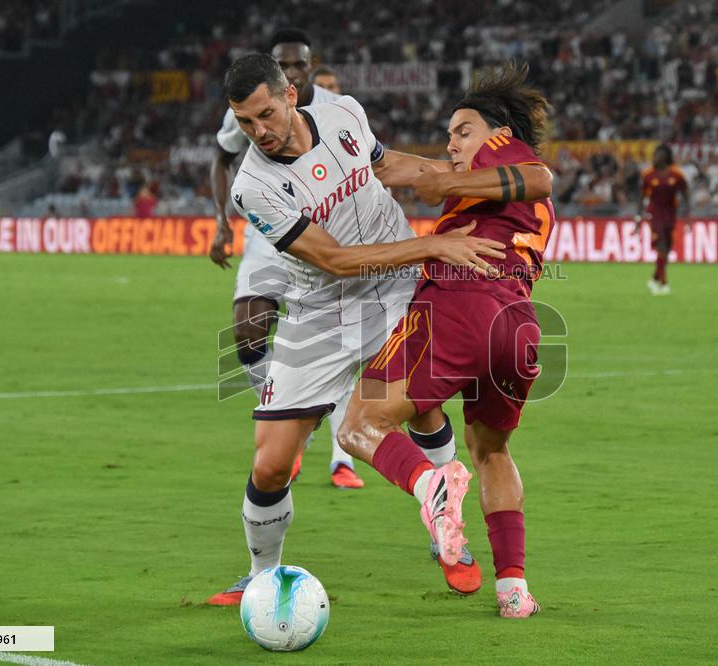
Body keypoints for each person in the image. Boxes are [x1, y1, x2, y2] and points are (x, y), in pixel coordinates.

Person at [207, 54, 502, 606]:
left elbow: (387, 167)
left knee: (421, 403)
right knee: (270, 464)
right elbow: (338, 261)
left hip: (396, 291)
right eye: (245, 122)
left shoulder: (343, 113)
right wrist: (433, 244)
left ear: (291, 94)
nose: (259, 132)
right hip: (320, 309)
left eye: (265, 114)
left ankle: (448, 536)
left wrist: (460, 180)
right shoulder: (254, 186)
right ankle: (262, 573)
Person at [337, 63, 555, 619]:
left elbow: (540, 178)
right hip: (521, 325)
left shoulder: (503, 154)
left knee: (360, 426)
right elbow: (408, 168)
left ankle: (430, 485)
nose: (452, 143)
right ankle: (513, 589)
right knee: (492, 450)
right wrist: (349, 144)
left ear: (499, 131)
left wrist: (449, 179)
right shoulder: (490, 184)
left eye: (462, 130)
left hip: (460, 304)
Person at [208, 29, 363, 490]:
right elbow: (220, 160)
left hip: (325, 231)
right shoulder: (250, 108)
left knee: (343, 344)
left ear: (309, 68)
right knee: (247, 330)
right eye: (283, 62)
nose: (291, 70)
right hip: (269, 231)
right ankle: (294, 421)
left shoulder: (336, 108)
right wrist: (221, 222)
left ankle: (338, 454)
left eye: (298, 64)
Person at [634, 143, 691, 295]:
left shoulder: (676, 175)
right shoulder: (648, 175)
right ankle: (664, 284)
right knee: (662, 245)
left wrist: (687, 217)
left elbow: (685, 194)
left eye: (657, 155)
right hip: (654, 213)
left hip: (671, 214)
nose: (654, 158)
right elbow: (641, 197)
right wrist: (638, 218)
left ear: (665, 157)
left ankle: (653, 280)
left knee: (667, 249)